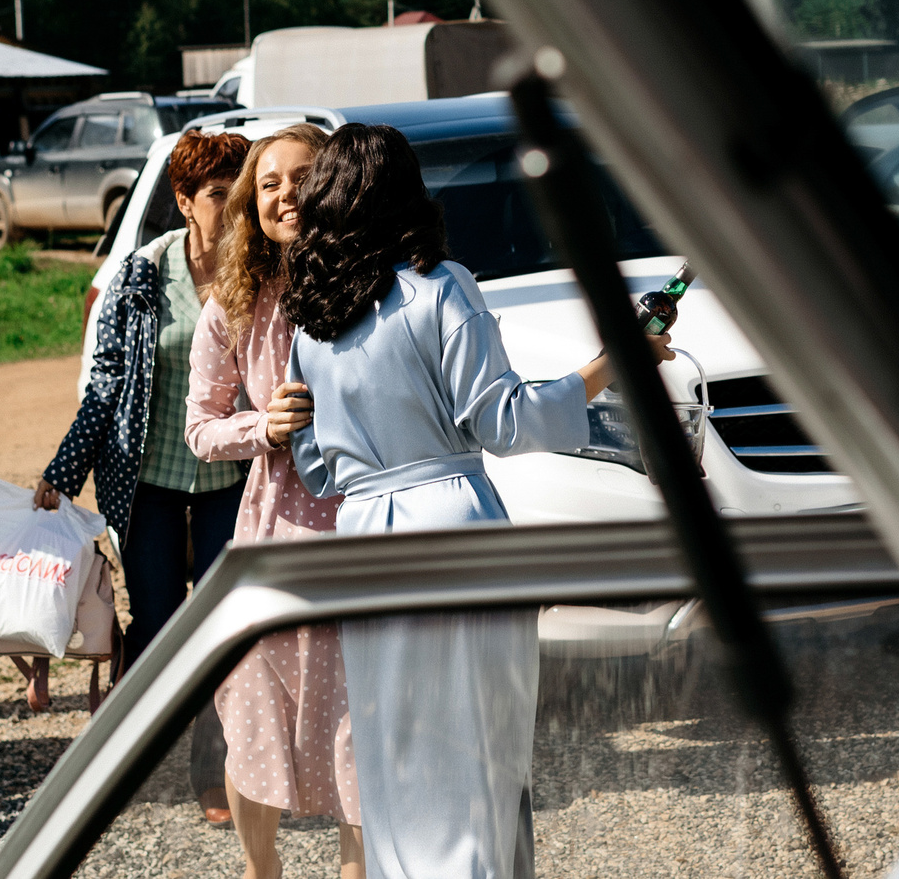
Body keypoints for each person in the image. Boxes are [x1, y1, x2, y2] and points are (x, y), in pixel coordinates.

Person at [281, 123, 671, 879]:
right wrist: (611, 362)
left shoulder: (312, 321)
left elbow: (319, 470)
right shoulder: (440, 285)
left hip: (362, 539)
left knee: (394, 755)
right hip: (454, 527)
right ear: (404, 193)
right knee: (477, 751)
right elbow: (505, 420)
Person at [35, 129, 253, 823]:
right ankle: (139, 753)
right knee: (158, 621)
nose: (234, 207)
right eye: (219, 195)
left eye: (239, 192)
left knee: (224, 625)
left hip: (231, 481)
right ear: (185, 200)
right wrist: (63, 471)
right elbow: (104, 384)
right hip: (150, 484)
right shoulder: (140, 273)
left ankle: (211, 767)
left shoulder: (261, 272)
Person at [186, 124, 364, 879]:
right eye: (268, 182)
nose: (284, 192)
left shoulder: (372, 287)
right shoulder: (230, 305)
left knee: (359, 727)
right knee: (250, 714)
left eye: (301, 177)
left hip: (359, 529)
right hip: (270, 531)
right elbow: (200, 428)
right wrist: (265, 426)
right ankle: (264, 873)